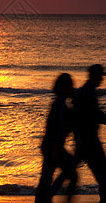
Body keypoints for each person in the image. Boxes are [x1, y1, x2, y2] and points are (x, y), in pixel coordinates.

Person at [72, 64, 106, 203]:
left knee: (72, 170)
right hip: (89, 140)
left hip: (84, 139)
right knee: (103, 170)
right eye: (100, 76)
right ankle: (105, 200)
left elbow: (91, 115)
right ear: (94, 76)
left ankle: (49, 194)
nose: (102, 79)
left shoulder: (85, 91)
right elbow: (92, 115)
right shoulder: (87, 93)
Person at [35, 73, 77, 203]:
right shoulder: (60, 105)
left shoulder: (60, 103)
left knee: (46, 178)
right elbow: (56, 129)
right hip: (53, 147)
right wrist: (55, 150)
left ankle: (43, 199)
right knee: (71, 172)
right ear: (65, 87)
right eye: (71, 85)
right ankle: (49, 197)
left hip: (50, 145)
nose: (73, 88)